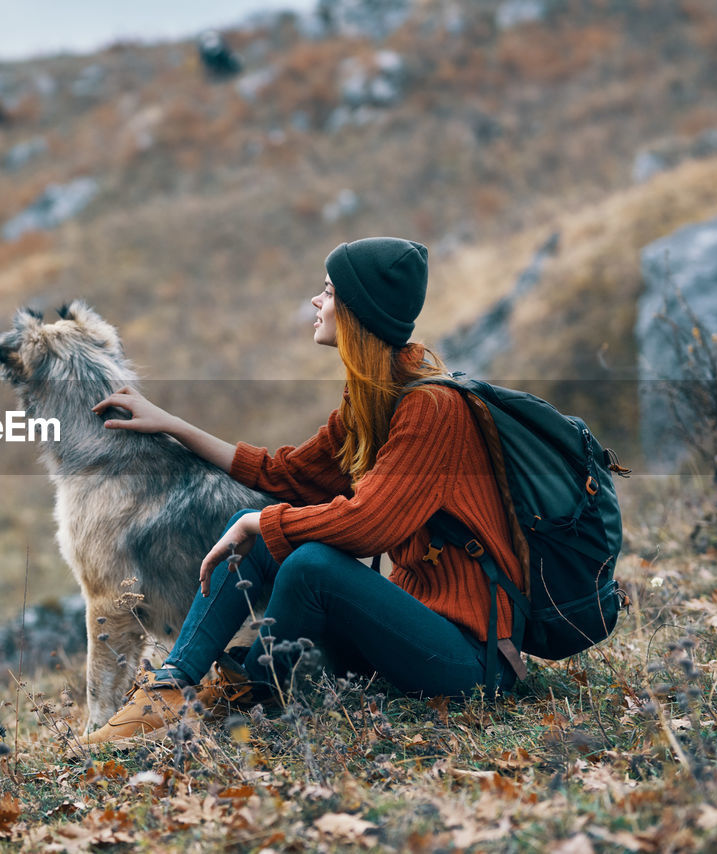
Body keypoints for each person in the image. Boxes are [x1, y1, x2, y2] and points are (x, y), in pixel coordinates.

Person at [81, 237, 526, 746]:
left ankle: (247, 693)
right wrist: (173, 425)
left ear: (359, 310)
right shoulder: (374, 400)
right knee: (272, 536)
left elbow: (370, 524)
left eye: (329, 291)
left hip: (468, 663)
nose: (317, 302)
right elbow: (286, 475)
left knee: (307, 561)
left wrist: (259, 523)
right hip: (406, 637)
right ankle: (170, 690)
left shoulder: (433, 409)